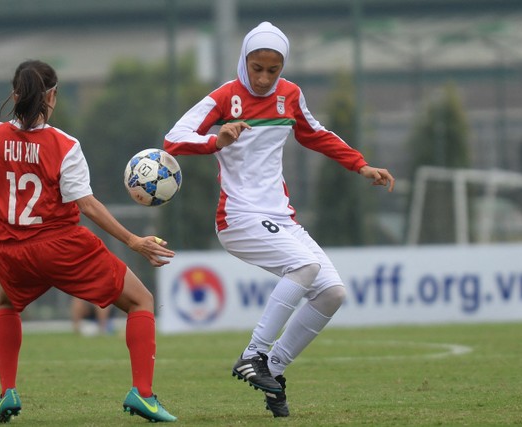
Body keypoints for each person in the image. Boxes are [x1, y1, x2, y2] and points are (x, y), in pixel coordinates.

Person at [0, 59, 177, 423]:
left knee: (7, 304)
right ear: (52, 96)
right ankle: (144, 394)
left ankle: (7, 391)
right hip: (61, 246)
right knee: (141, 301)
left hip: (12, 251)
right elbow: (86, 204)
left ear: (15, 95)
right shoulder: (64, 145)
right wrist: (134, 241)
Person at [164, 22, 394, 418]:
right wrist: (215, 139)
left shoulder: (289, 95)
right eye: (257, 68)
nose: (264, 78)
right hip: (238, 217)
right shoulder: (225, 97)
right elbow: (172, 139)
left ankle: (273, 369)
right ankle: (253, 354)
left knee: (331, 292)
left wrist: (360, 165)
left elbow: (315, 134)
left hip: (279, 217)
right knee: (304, 267)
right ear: (244, 61)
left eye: (273, 70)